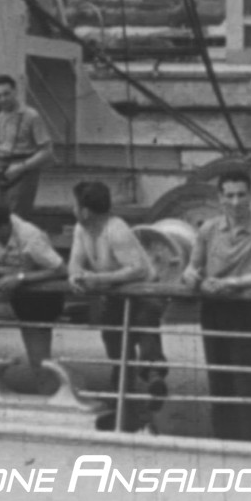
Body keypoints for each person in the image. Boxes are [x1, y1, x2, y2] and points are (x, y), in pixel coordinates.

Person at [181, 170, 251, 442]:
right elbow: (192, 266)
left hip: (245, 313)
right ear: (220, 198)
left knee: (246, 382)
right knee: (218, 380)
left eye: (241, 195)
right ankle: (223, 445)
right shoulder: (208, 229)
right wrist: (192, 277)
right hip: (213, 311)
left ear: (250, 195)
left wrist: (232, 283)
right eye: (230, 195)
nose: (236, 202)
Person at [68, 180, 167, 431]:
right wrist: (75, 276)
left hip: (144, 290)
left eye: (75, 205)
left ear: (85, 211)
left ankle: (153, 376)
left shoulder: (116, 229)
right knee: (115, 343)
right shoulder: (82, 229)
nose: (72, 209)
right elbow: (75, 260)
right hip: (114, 294)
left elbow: (138, 269)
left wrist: (98, 279)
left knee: (144, 327)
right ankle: (125, 404)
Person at [0, 200, 66, 378]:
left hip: (40, 302)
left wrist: (21, 277)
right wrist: (13, 271)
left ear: (2, 227)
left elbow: (60, 269)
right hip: (15, 299)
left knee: (40, 367)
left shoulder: (30, 236)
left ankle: (66, 390)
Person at [0, 74, 54, 217]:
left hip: (23, 171)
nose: (2, 99)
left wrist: (21, 167)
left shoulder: (31, 116)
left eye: (6, 94)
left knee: (16, 217)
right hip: (1, 170)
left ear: (15, 91)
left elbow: (47, 151)